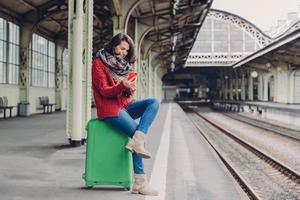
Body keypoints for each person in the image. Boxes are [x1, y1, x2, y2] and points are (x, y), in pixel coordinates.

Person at [92, 33, 159, 196]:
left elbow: (123, 94)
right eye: (122, 48)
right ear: (114, 45)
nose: (124, 53)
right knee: (136, 136)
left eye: (127, 51)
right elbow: (104, 91)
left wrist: (129, 89)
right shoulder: (98, 63)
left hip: (124, 105)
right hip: (110, 109)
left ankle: (138, 140)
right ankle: (140, 183)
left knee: (153, 102)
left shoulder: (123, 66)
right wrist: (122, 85)